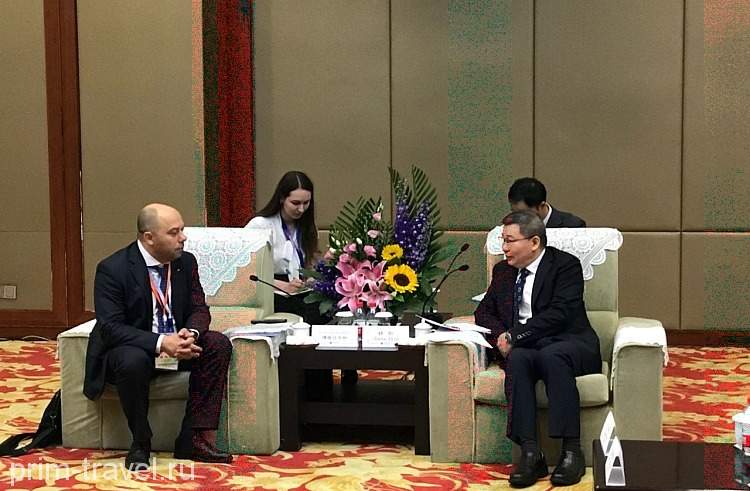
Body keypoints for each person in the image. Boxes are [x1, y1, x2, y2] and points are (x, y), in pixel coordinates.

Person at [83, 203, 233, 471]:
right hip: (136, 348)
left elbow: (199, 308)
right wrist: (162, 343)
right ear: (149, 237)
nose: (183, 238)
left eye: (182, 230)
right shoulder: (113, 269)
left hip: (179, 345)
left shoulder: (185, 262)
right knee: (131, 360)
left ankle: (193, 438)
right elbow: (110, 327)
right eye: (174, 232)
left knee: (217, 344)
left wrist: (191, 334)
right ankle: (141, 441)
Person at [474, 210, 600, 488]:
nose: (504, 248)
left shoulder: (565, 265)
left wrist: (515, 335)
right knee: (518, 359)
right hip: (526, 346)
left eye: (510, 240)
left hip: (568, 341)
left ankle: (571, 451)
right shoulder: (503, 272)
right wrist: (502, 337)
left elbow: (560, 313)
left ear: (534, 242)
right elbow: (484, 312)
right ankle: (531, 453)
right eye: (502, 240)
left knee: (552, 356)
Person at [246, 170, 328, 324]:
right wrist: (281, 285)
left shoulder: (307, 227)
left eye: (306, 203)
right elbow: (245, 273)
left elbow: (308, 265)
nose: (301, 209)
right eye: (295, 203)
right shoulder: (260, 225)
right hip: (270, 288)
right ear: (282, 198)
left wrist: (313, 276)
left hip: (297, 288)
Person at [508, 177, 586, 228]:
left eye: (524, 213)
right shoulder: (511, 228)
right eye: (514, 212)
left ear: (541, 206)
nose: (519, 218)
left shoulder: (572, 225)